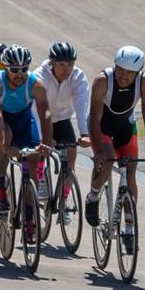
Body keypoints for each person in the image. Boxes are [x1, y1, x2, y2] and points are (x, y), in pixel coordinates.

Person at [84, 46, 145, 254]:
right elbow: (94, 118)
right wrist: (98, 150)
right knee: (108, 160)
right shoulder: (103, 80)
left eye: (129, 72)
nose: (123, 75)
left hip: (125, 126)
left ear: (138, 73)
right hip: (101, 125)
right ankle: (93, 196)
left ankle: (129, 228)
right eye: (119, 69)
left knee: (130, 172)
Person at [0, 45, 53, 241]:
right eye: (14, 70)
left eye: (24, 69)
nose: (20, 74)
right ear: (6, 68)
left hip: (23, 120)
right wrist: (5, 144)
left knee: (33, 160)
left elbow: (45, 113)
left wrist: (46, 144)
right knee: (2, 139)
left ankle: (30, 217)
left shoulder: (35, 83)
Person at [34, 42, 91, 210]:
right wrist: (42, 139)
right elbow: (35, 110)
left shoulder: (78, 77)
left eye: (70, 65)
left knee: (71, 159)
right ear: (52, 63)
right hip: (42, 118)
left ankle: (64, 202)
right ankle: (41, 180)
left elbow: (82, 105)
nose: (67, 70)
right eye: (61, 65)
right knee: (42, 150)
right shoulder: (39, 76)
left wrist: (84, 133)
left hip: (62, 119)